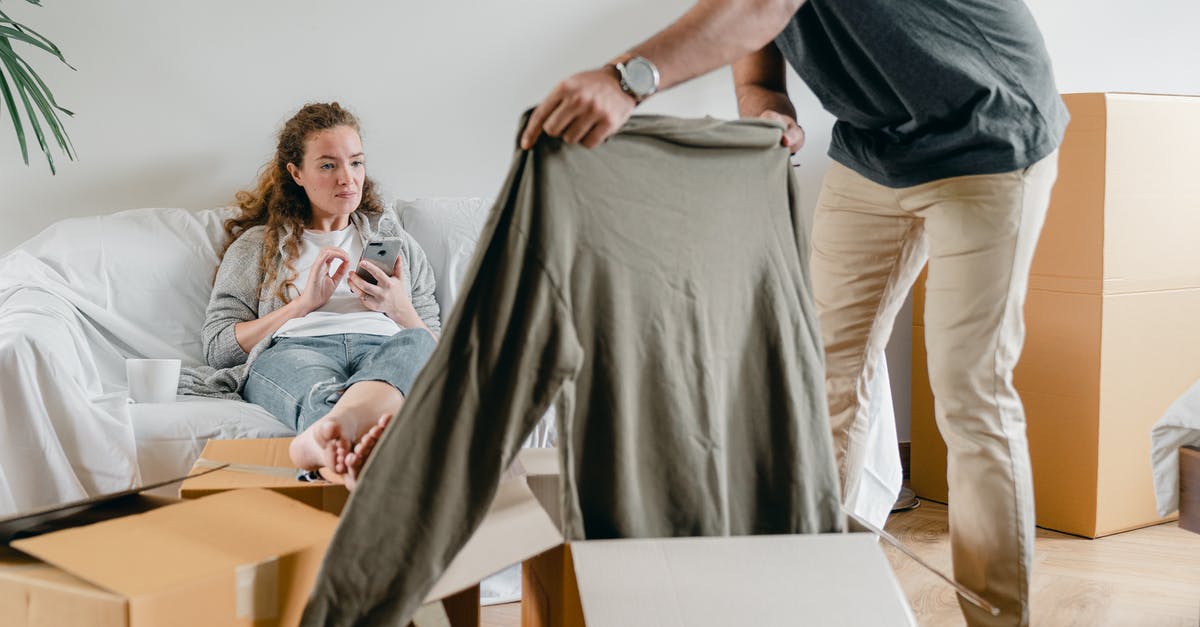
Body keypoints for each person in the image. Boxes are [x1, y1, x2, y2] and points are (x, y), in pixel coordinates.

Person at [519, 2, 1067, 626]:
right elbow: (756, 54)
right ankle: (809, 594)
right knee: (823, 374)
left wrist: (625, 79)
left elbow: (761, 7)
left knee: (972, 394)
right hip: (876, 149)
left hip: (988, 133)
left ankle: (998, 619)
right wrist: (765, 103)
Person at [203, 102, 440, 487]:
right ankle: (354, 439)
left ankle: (325, 440)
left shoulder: (397, 244)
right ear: (296, 173)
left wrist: (400, 310)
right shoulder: (255, 247)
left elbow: (435, 351)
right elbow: (218, 348)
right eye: (328, 165)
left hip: (381, 347)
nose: (348, 178)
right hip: (295, 350)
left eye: (356, 163)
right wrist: (302, 305)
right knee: (316, 388)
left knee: (413, 344)